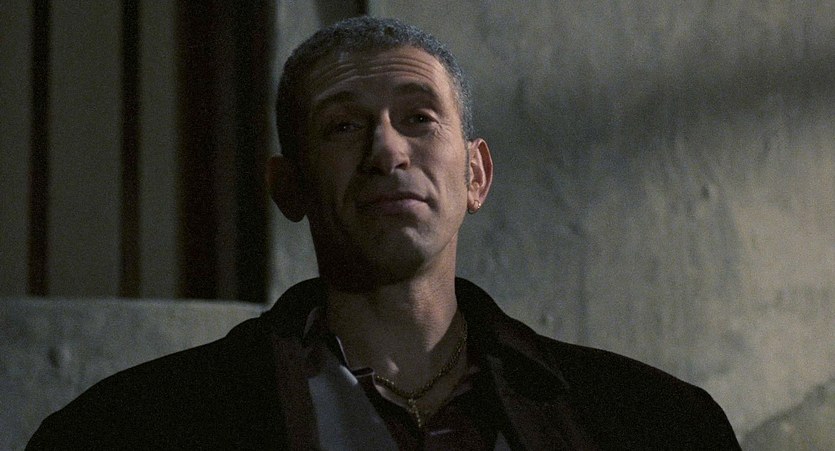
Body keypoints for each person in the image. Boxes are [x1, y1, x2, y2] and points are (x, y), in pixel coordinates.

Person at [28, 16, 740, 449]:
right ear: (289, 186)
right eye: (343, 126)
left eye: (419, 117)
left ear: (475, 174)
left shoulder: (650, 423)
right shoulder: (134, 429)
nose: (388, 151)